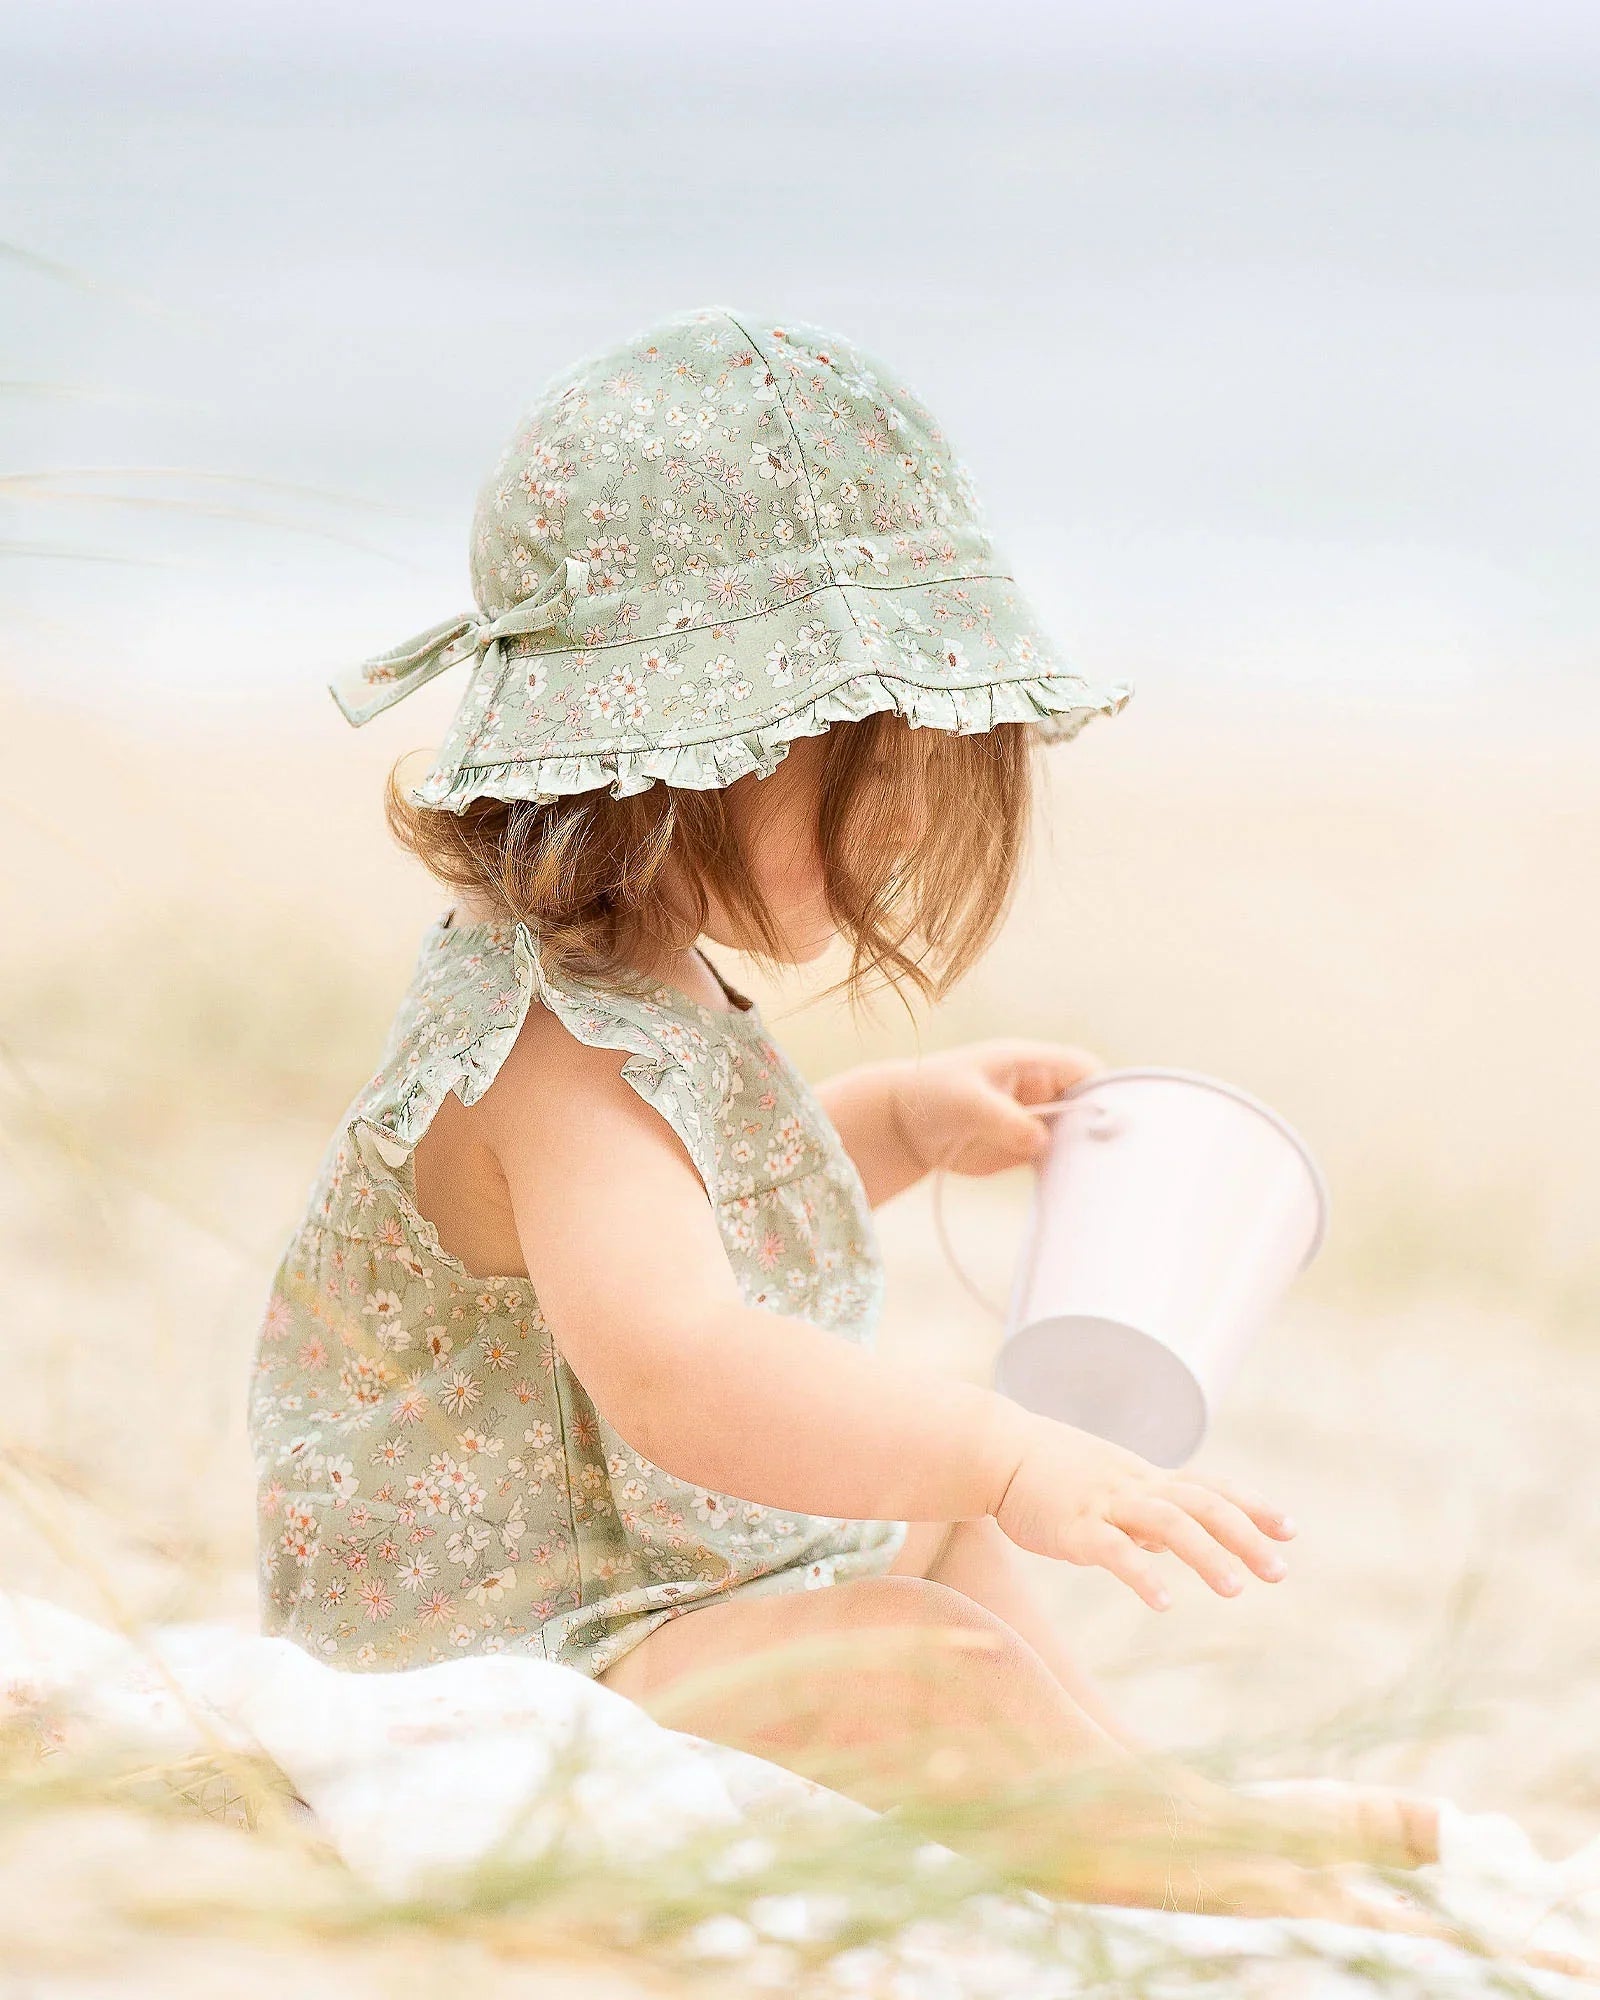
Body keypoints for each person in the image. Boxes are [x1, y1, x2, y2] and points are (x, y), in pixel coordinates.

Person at [250, 307, 1437, 1920]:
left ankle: (1121, 1794)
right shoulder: (537, 1048)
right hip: (518, 1638)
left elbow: (690, 1193)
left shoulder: (630, 987)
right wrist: (1013, 1449)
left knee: (943, 1538)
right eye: (866, 782)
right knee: (915, 1647)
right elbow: (676, 1367)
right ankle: (1166, 1846)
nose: (899, 831)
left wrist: (891, 1124)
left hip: (648, 1577)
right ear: (678, 758)